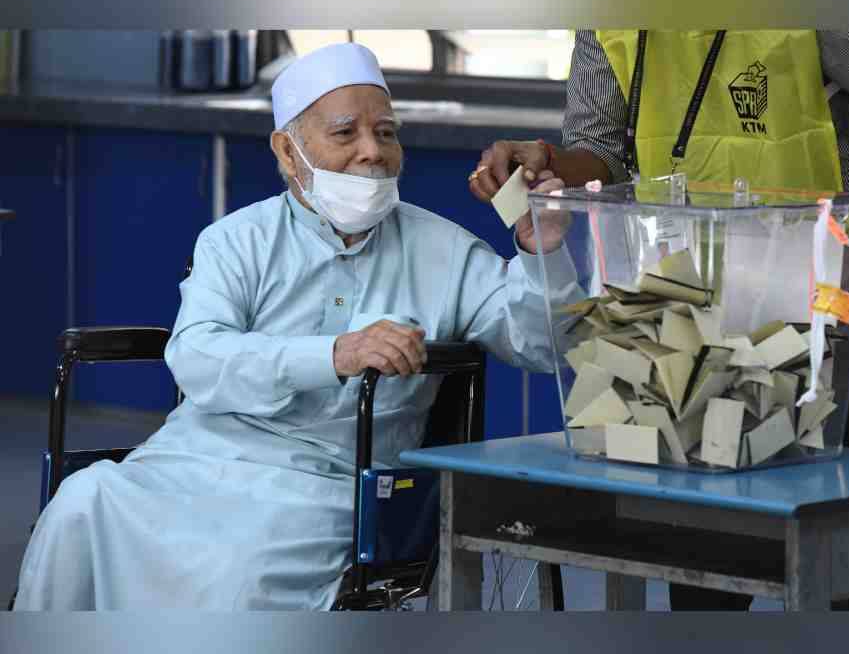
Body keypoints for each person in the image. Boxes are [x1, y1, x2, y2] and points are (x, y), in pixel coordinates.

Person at [14, 42, 574, 610]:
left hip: (325, 490)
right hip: (195, 459)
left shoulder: (445, 250)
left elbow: (542, 347)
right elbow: (199, 357)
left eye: (386, 133)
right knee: (79, 505)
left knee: (237, 573)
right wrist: (334, 354)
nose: (371, 153)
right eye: (345, 133)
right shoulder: (236, 240)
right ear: (288, 151)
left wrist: (542, 256)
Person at [470, 30, 849, 611]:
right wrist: (549, 162)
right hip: (681, 266)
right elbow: (602, 148)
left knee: (822, 496)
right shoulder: (609, 21)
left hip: (818, 264)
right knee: (693, 508)